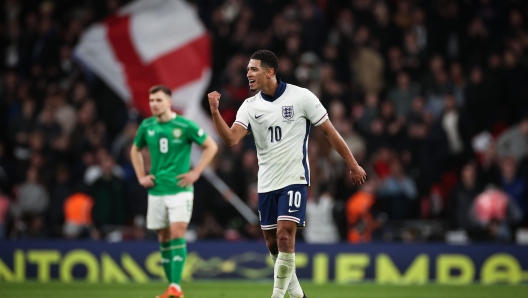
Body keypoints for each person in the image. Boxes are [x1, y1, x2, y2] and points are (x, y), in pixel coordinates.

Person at [208, 50, 366, 298]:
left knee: (284, 236)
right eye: (248, 69)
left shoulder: (301, 97)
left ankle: (277, 296)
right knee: (273, 244)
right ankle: (298, 295)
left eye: (253, 69)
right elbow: (230, 139)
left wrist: (353, 164)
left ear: (270, 72)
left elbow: (329, 131)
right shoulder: (249, 106)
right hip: (267, 182)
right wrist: (215, 111)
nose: (248, 74)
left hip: (294, 179)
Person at [131, 85, 218, 298]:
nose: (154, 104)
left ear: (169, 102)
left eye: (158, 100)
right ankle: (171, 286)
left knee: (177, 233)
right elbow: (135, 149)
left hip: (180, 190)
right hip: (157, 190)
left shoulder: (184, 125)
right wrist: (141, 175)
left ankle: (176, 287)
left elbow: (211, 146)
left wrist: (196, 173)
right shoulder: (147, 126)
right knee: (163, 238)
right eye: (152, 101)